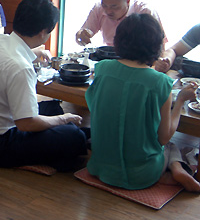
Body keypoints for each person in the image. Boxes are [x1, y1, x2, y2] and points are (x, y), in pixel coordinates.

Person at [0, 0, 87, 171]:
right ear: (43, 32)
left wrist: (34, 52)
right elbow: (27, 124)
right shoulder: (20, 67)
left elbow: (12, 51)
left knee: (52, 108)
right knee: (74, 137)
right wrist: (62, 119)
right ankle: (48, 158)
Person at [85, 14, 200, 191]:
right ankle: (176, 168)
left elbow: (95, 106)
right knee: (171, 145)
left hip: (99, 167)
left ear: (119, 40)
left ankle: (173, 171)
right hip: (142, 175)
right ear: (156, 47)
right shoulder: (160, 82)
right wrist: (181, 101)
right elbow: (163, 138)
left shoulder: (102, 68)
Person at [76, 0, 165, 47]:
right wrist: (81, 36)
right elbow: (83, 34)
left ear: (127, 2)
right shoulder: (99, 8)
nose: (108, 11)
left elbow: (159, 49)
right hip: (112, 61)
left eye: (114, 6)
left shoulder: (145, 12)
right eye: (105, 5)